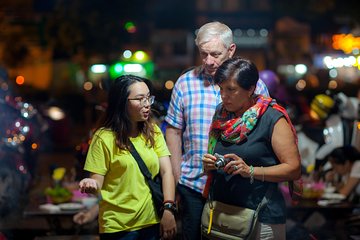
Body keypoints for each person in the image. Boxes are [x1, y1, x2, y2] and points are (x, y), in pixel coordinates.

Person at [165, 21, 269, 239]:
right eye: (203, 54)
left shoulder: (254, 86)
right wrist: (175, 179)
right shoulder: (185, 83)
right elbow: (173, 131)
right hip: (192, 183)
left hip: (236, 185)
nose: (208, 61)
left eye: (215, 54)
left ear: (231, 50)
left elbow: (264, 133)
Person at [202, 57, 301, 239]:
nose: (224, 95)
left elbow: (294, 169)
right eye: (221, 89)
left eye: (231, 89)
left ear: (251, 89)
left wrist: (251, 171)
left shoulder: (271, 118)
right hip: (223, 213)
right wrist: (210, 163)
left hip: (262, 216)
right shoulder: (221, 114)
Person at [79, 75, 177, 240]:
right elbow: (97, 181)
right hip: (117, 227)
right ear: (122, 102)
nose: (147, 105)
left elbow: (167, 172)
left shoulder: (153, 132)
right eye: (139, 99)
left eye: (148, 98)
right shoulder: (103, 138)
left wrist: (168, 209)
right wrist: (91, 184)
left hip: (150, 221)